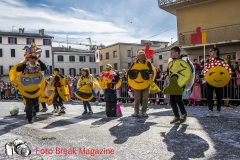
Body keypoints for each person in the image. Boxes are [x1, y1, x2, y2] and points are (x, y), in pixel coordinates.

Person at [15, 42, 47, 123]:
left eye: (33, 57)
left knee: (35, 102)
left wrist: (38, 60)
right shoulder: (24, 65)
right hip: (26, 87)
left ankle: (33, 110)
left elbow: (44, 68)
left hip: (36, 88)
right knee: (29, 103)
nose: (32, 59)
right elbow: (17, 69)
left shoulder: (37, 65)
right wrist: (25, 62)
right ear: (28, 58)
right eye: (30, 57)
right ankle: (29, 118)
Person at [164, 46, 193, 124]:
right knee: (172, 100)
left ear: (177, 53)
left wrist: (187, 81)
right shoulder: (171, 61)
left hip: (181, 82)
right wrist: (167, 76)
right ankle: (176, 116)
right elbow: (168, 71)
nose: (171, 54)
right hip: (173, 82)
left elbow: (190, 70)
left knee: (178, 99)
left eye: (172, 52)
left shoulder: (184, 60)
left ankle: (184, 114)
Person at [204, 46, 231, 117]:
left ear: (215, 51)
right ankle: (210, 110)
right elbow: (206, 71)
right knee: (209, 95)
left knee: (219, 96)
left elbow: (227, 71)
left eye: (211, 51)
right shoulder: (208, 61)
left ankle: (218, 110)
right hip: (210, 81)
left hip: (219, 81)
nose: (209, 52)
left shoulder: (222, 61)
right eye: (209, 51)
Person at [128, 50, 154, 117]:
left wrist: (151, 74)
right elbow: (129, 72)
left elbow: (152, 71)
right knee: (137, 99)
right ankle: (136, 111)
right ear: (138, 56)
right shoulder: (134, 63)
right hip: (137, 85)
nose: (143, 56)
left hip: (146, 83)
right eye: (141, 55)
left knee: (145, 98)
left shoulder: (148, 63)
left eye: (143, 55)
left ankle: (144, 111)